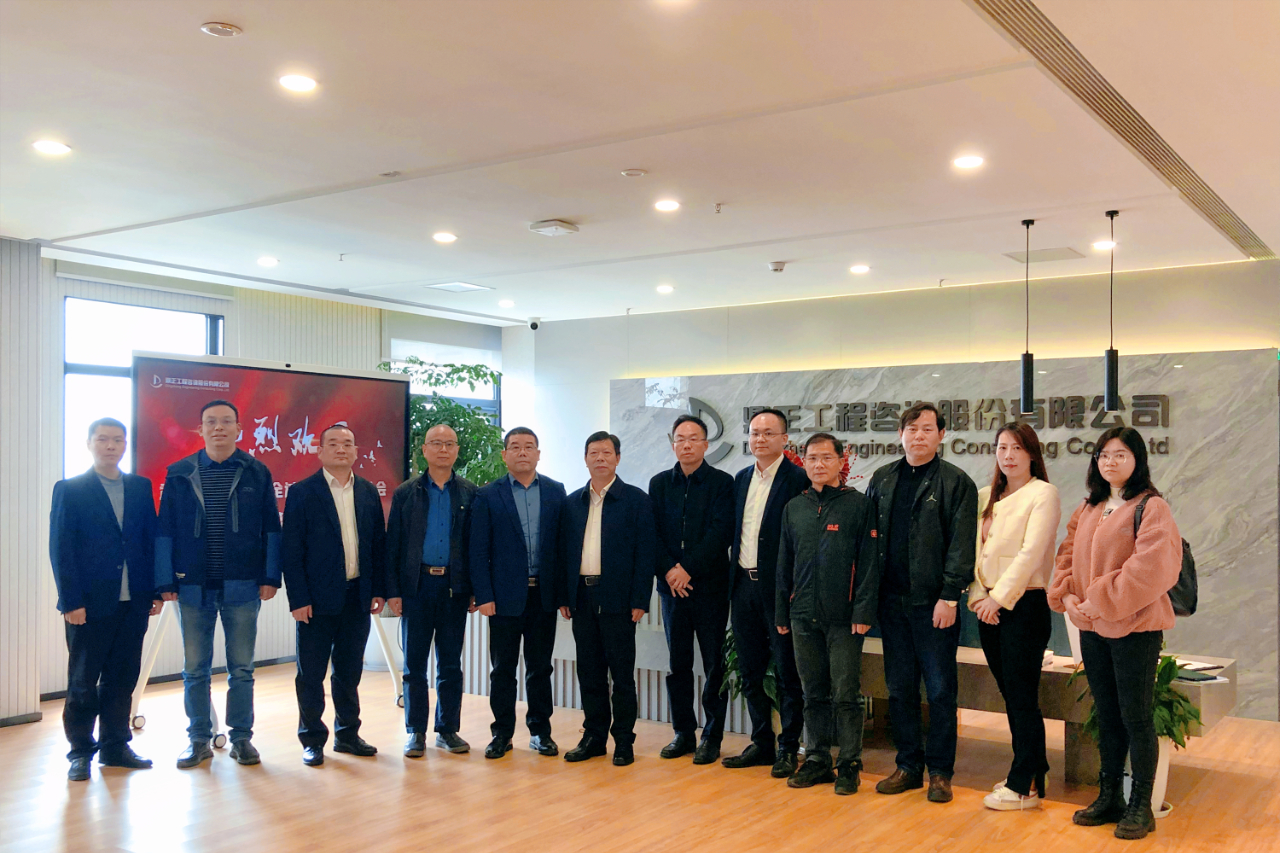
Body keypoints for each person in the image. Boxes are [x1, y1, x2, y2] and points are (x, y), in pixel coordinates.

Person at [1049, 426, 1182, 840]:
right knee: (1106, 714)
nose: (1110, 462)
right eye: (1104, 455)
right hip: (1092, 627)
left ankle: (1141, 804)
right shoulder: (1089, 506)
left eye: (1120, 454)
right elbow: (1066, 554)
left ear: (1137, 460)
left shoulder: (1151, 507)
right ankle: (1109, 796)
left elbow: (1151, 568)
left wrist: (1100, 599)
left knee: (1135, 716)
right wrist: (1067, 595)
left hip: (1136, 626)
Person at [157, 400, 281, 769]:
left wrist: (270, 577)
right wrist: (164, 579)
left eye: (227, 421)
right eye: (211, 421)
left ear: (239, 428)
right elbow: (164, 532)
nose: (219, 427)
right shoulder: (179, 474)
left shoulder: (257, 472)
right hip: (192, 586)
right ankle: (198, 739)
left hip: (243, 584)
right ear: (200, 429)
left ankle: (242, 738)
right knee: (195, 668)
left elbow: (272, 529)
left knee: (241, 667)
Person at [866, 402, 977, 803]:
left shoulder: (956, 482)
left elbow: (962, 545)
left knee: (941, 690)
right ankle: (908, 766)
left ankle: (941, 773)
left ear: (941, 435)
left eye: (927, 429)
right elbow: (869, 541)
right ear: (901, 434)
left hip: (935, 605)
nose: (918, 436)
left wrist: (950, 595)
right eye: (912, 428)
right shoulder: (882, 478)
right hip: (891, 603)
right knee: (899, 689)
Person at [49, 418, 162, 781]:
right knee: (83, 681)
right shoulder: (70, 489)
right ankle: (81, 751)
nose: (110, 446)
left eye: (117, 440)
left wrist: (155, 591)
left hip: (134, 602)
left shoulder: (140, 487)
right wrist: (71, 601)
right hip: (88, 605)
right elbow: (61, 549)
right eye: (103, 439)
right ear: (89, 443)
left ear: (125, 445)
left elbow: (149, 541)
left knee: (122, 678)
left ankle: (115, 747)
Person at [776, 433, 880, 795]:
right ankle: (817, 759)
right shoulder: (795, 507)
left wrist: (863, 610)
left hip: (844, 617)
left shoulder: (858, 505)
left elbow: (869, 564)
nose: (819, 465)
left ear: (840, 462)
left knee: (846, 694)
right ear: (803, 462)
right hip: (802, 615)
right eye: (812, 458)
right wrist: (782, 612)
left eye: (826, 458)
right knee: (813, 693)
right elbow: (784, 565)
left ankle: (849, 764)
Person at [281, 424, 388, 767]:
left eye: (347, 444)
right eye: (333, 444)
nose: (341, 449)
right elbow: (291, 551)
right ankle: (312, 739)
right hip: (315, 600)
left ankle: (348, 735)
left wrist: (378, 589)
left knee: (349, 672)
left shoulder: (368, 491)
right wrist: (298, 599)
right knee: (311, 674)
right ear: (320, 451)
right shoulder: (303, 492)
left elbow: (378, 545)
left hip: (357, 596)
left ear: (355, 451)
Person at [967, 422, 1061, 810]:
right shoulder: (985, 495)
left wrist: (999, 599)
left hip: (1024, 606)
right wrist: (980, 597)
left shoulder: (1043, 493)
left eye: (1017, 448)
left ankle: (1024, 786)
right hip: (986, 607)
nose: (1008, 455)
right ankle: (1033, 770)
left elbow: (1031, 553)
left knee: (1022, 697)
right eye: (1002, 447)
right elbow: (975, 552)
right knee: (1011, 695)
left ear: (1032, 454)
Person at [558, 431, 656, 766]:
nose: (600, 458)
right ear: (585, 458)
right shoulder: (572, 502)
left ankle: (624, 741)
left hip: (619, 599)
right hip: (581, 596)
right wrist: (565, 595)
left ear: (617, 458)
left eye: (606, 452)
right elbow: (564, 553)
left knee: (622, 675)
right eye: (594, 453)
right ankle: (594, 737)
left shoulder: (636, 500)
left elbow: (645, 554)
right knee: (590, 672)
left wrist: (640, 599)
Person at [722, 408, 810, 777]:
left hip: (779, 590)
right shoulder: (741, 479)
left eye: (768, 433)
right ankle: (761, 741)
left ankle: (788, 747)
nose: (760, 439)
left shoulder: (799, 479)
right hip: (743, 586)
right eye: (755, 433)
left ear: (784, 439)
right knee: (750, 668)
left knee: (787, 672)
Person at [469, 427, 565, 759]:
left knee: (540, 668)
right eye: (515, 447)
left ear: (538, 453)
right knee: (502, 670)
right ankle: (502, 734)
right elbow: (478, 550)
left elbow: (563, 547)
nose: (522, 452)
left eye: (528, 447)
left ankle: (540, 732)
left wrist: (563, 595)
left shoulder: (555, 491)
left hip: (543, 596)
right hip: (503, 598)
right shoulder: (488, 495)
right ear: (504, 455)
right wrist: (484, 595)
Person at [386, 423, 478, 757]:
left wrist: (475, 589)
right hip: (417, 586)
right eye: (436, 443)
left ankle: (448, 729)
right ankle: (415, 731)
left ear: (457, 450)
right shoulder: (406, 493)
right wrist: (393, 591)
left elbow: (475, 546)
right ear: (424, 449)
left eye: (449, 443)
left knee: (450, 663)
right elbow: (393, 545)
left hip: (454, 587)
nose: (443, 449)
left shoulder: (470, 493)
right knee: (414, 665)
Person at [649, 414, 735, 764]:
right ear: (673, 444)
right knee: (678, 663)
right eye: (680, 439)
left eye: (693, 438)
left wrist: (687, 569)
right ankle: (683, 732)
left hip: (709, 588)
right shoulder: (659, 484)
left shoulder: (722, 483)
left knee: (714, 664)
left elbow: (721, 533)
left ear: (705, 444)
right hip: (672, 590)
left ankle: (712, 736)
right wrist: (671, 571)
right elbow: (652, 534)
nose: (686, 444)